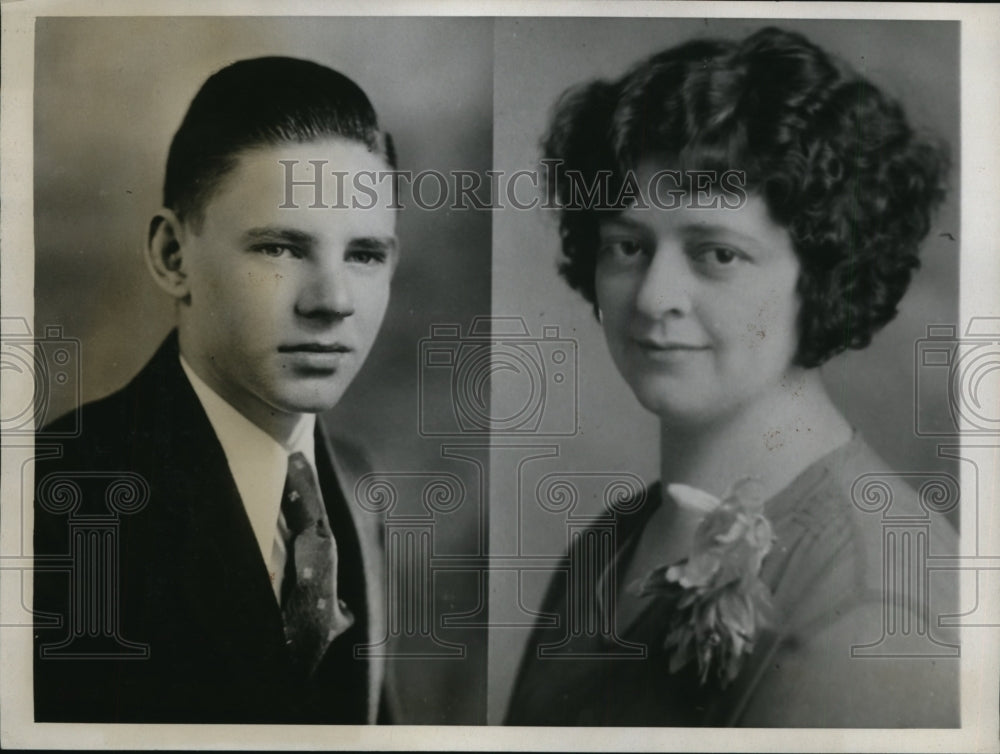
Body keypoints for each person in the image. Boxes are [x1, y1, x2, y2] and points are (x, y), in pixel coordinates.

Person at [506, 27, 959, 727]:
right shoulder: (609, 545)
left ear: (824, 271)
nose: (654, 297)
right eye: (627, 246)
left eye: (716, 254)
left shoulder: (876, 601)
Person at [33, 56, 400, 723]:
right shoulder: (54, 499)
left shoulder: (355, 485)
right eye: (280, 248)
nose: (334, 301)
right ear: (174, 257)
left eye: (365, 254)